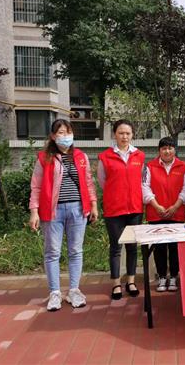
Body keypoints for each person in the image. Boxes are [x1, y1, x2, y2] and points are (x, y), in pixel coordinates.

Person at [29, 119, 98, 311]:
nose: (65, 136)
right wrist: (34, 211)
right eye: (60, 132)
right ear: (53, 136)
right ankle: (55, 293)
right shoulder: (44, 157)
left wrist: (93, 205)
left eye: (68, 132)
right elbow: (36, 186)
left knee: (75, 251)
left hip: (78, 209)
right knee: (52, 252)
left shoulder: (81, 156)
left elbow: (89, 182)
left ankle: (74, 290)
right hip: (53, 212)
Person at [98, 119, 145, 300]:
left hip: (135, 209)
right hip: (114, 210)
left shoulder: (139, 156)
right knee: (115, 248)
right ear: (114, 134)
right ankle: (116, 283)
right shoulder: (105, 157)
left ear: (132, 135)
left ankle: (131, 281)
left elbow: (141, 180)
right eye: (121, 133)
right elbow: (103, 182)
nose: (124, 136)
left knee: (132, 247)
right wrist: (116, 194)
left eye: (128, 133)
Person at [142, 137, 185, 292]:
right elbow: (144, 187)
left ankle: (174, 276)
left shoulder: (183, 167)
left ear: (175, 150)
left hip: (177, 213)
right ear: (159, 151)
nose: (167, 151)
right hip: (156, 213)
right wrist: (157, 206)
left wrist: (175, 206)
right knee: (160, 247)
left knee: (175, 247)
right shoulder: (150, 166)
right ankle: (162, 276)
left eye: (170, 148)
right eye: (164, 148)